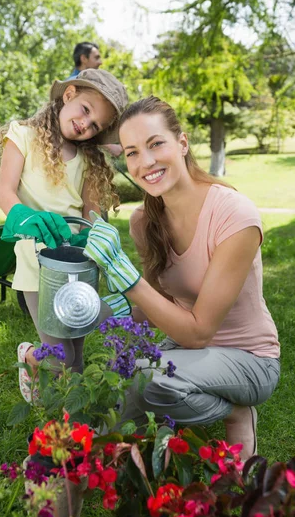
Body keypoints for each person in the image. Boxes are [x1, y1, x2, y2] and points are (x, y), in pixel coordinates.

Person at [83, 96, 280, 460]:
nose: (146, 162)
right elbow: (155, 301)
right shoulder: (144, 221)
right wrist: (94, 309)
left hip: (249, 358)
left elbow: (199, 330)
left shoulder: (235, 215)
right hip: (190, 353)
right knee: (120, 378)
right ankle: (127, 466)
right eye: (132, 152)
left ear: (182, 143)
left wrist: (125, 277)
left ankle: (236, 410)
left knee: (150, 379)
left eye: (156, 144)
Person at [0, 69, 128, 401]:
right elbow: (6, 193)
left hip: (76, 266)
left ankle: (74, 428)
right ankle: (33, 358)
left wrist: (89, 237)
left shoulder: (89, 158)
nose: (86, 125)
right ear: (69, 95)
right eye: (85, 110)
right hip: (37, 262)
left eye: (95, 125)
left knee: (75, 357)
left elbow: (91, 216)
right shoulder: (21, 134)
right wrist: (26, 216)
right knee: (60, 356)